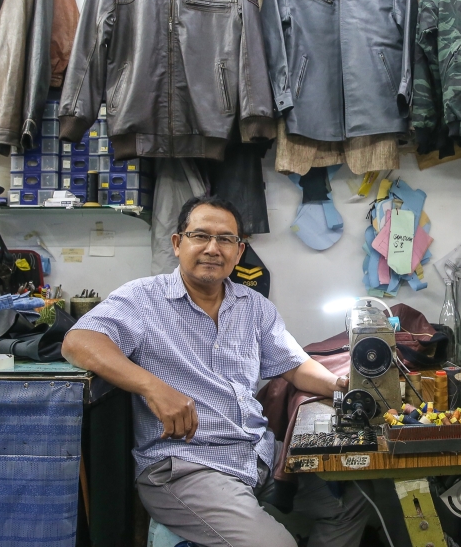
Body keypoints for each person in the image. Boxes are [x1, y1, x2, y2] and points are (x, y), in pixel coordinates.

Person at [62, 195, 372, 547]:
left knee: (357, 496)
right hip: (186, 467)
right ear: (178, 243)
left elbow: (295, 365)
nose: (213, 248)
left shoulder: (253, 305)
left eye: (225, 239)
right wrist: (153, 387)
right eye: (201, 236)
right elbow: (78, 341)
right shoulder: (143, 298)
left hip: (257, 454)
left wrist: (341, 384)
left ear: (238, 252)